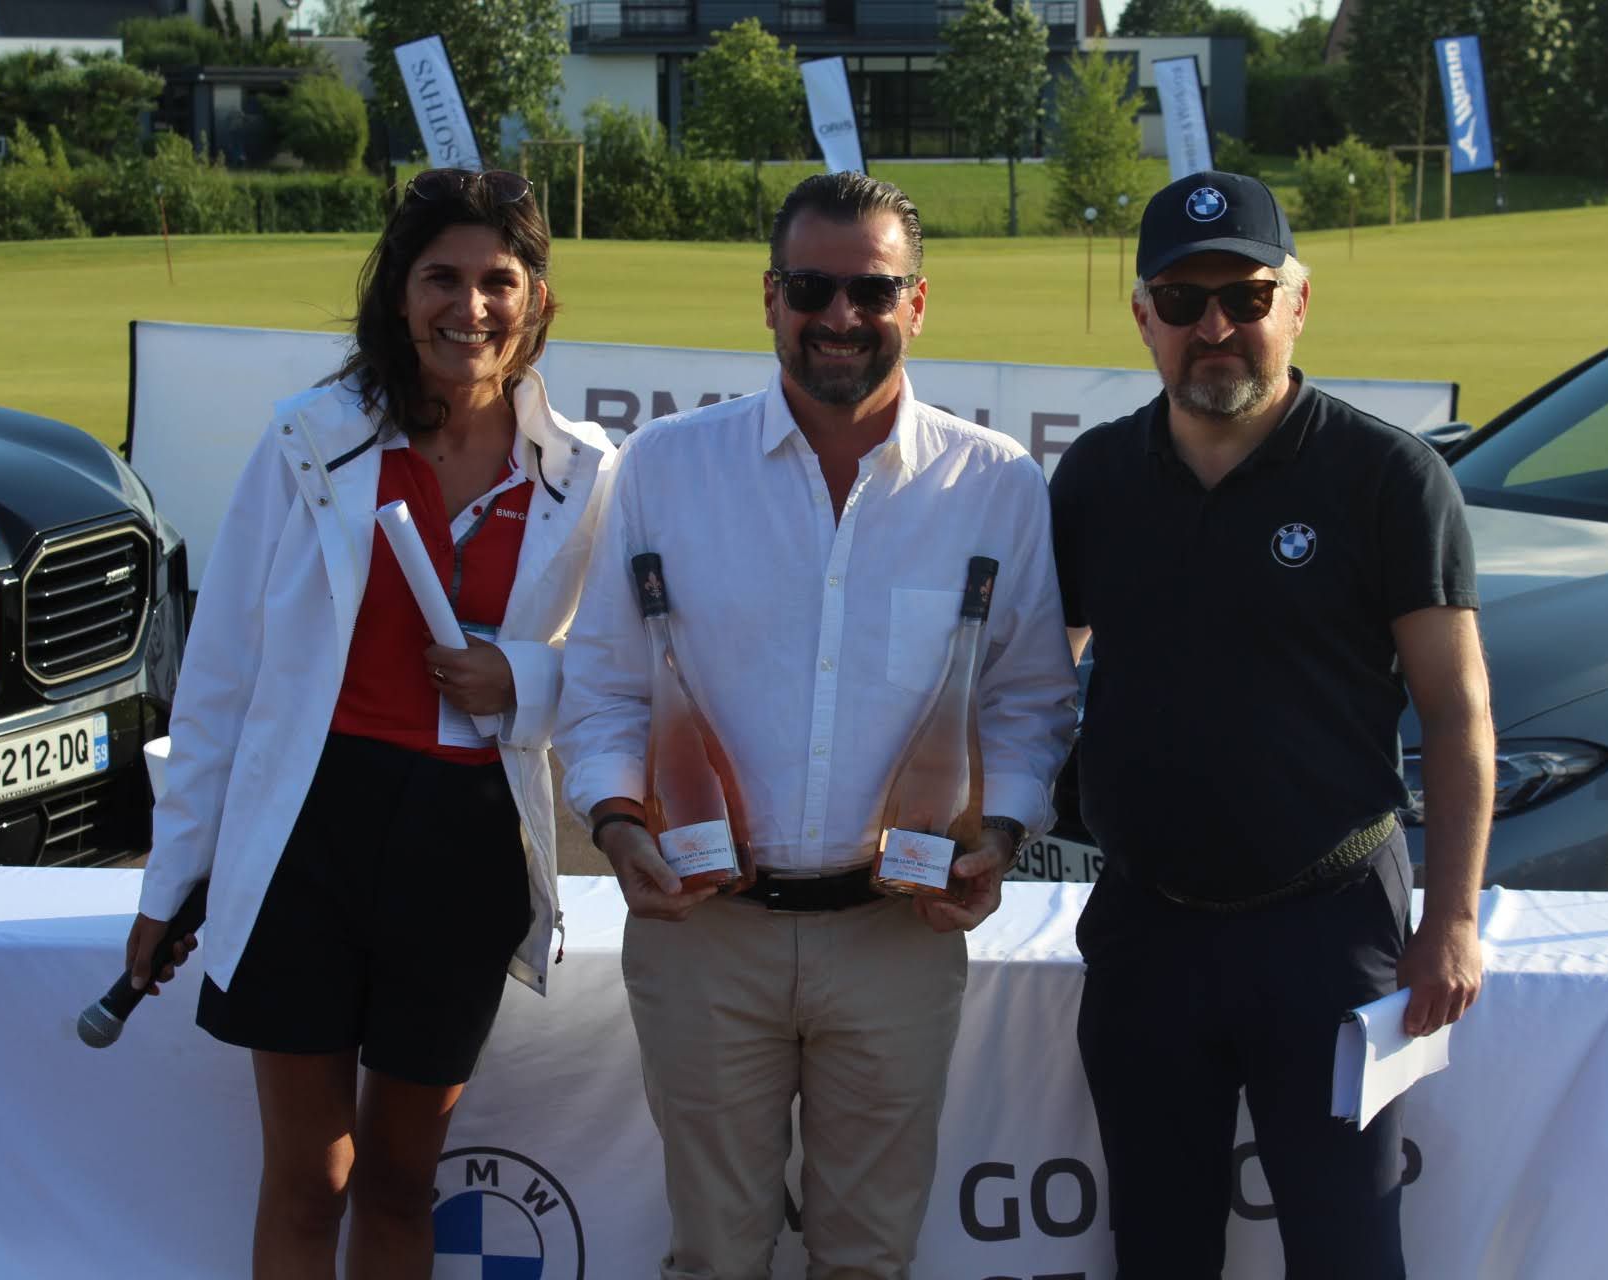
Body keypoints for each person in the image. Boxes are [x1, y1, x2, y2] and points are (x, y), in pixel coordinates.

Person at [554, 172, 1077, 1278]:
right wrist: (616, 824)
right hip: (704, 934)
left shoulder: (996, 484)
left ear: (917, 303)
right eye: (811, 288)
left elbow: (1029, 700)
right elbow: (603, 686)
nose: (841, 315)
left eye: (872, 290)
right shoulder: (665, 468)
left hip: (897, 934)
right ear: (769, 298)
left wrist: (1001, 836)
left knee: (868, 1260)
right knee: (715, 1256)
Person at [125, 167, 616, 1279]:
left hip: (466, 840)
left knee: (399, 1180)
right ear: (399, 291)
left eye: (499, 280)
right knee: (311, 1180)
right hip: (307, 836)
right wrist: (170, 879)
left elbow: (618, 671)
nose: (470, 307)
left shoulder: (586, 472)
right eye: (441, 277)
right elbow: (222, 677)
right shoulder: (309, 438)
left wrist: (519, 677)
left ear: (537, 298)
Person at [1051, 170, 1494, 1278]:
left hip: (1330, 928)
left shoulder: (1388, 476)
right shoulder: (1097, 475)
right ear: (1142, 314)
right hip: (1147, 928)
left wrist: (1451, 919)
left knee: (1348, 1251)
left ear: (1297, 303)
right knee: (1159, 1251)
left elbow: (1457, 714)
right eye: (1183, 299)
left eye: (1245, 298)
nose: (1215, 328)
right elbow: (1033, 678)